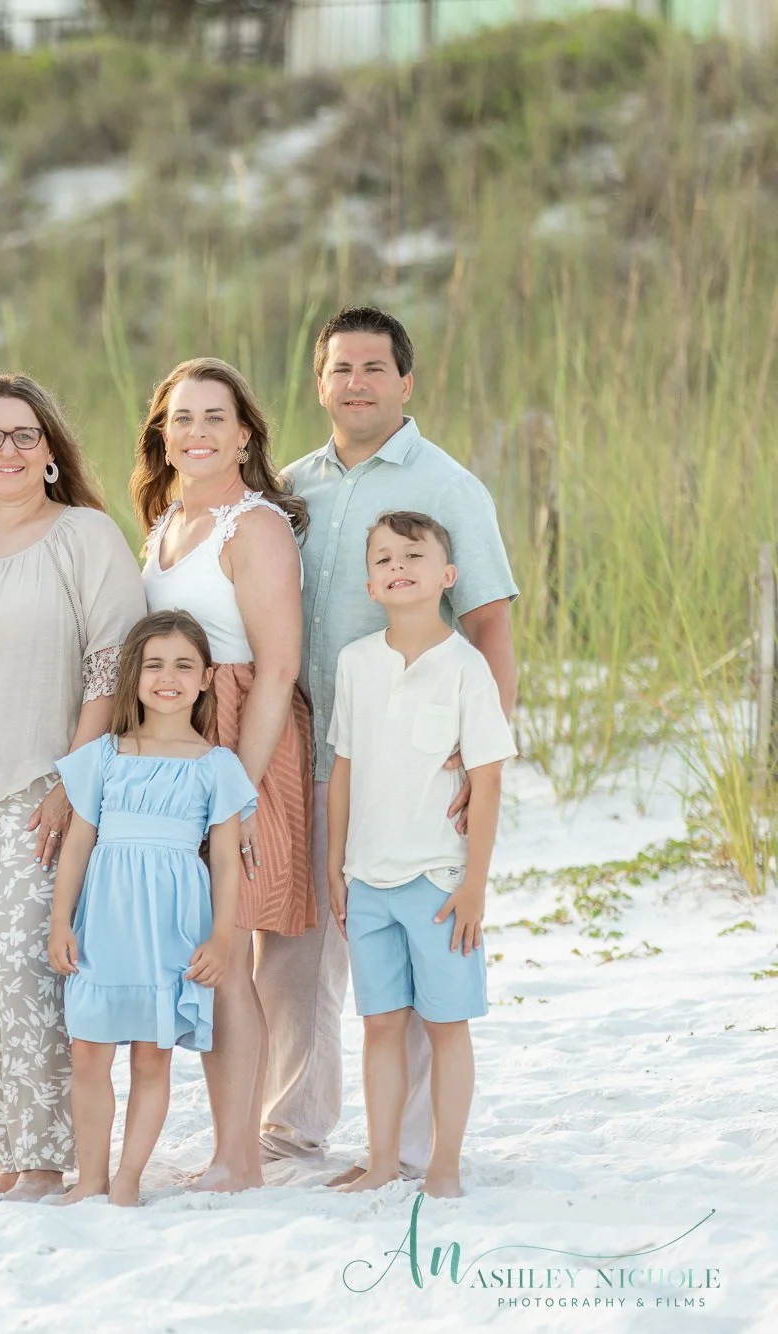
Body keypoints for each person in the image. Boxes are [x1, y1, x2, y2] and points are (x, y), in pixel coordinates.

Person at [270, 305, 518, 1182]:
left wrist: (478, 754)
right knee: (296, 949)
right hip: (314, 750)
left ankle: (411, 1149)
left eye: (375, 368)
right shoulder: (292, 487)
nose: (357, 383)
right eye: (341, 368)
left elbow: (489, 620)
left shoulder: (449, 487)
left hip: (416, 760)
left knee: (415, 957)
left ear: (406, 383)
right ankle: (292, 1127)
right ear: (320, 381)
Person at [0, 373, 144, 1201]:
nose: (4, 450)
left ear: (50, 452)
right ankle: (9, 1148)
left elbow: (114, 664)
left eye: (22, 436)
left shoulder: (83, 535)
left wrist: (74, 784)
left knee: (29, 968)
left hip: (42, 789)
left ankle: (47, 1158)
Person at [133, 357, 312, 1194]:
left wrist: (230, 797)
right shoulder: (163, 520)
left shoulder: (257, 527)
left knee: (230, 948)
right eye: (181, 418)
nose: (196, 432)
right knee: (201, 950)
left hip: (243, 744)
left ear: (245, 434)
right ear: (161, 434)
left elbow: (277, 670)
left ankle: (240, 1157)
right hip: (176, 741)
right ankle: (228, 1142)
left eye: (215, 417)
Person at [328, 513, 513, 1197]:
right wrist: (335, 865)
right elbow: (344, 768)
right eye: (383, 559)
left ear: (447, 576)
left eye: (414, 554)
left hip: (440, 884)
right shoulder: (355, 664)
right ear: (371, 583)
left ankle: (443, 1164)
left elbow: (487, 781)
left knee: (445, 1025)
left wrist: (474, 886)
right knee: (378, 1025)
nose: (397, 565)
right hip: (367, 878)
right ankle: (380, 1162)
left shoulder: (466, 668)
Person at [46, 611, 256, 1207]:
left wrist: (219, 939)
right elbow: (78, 843)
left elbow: (224, 859)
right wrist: (62, 920)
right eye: (155, 664)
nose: (169, 677)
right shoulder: (105, 755)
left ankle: (128, 1179)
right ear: (134, 675)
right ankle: (90, 1177)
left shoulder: (217, 766)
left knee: (151, 1057)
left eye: (184, 665)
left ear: (207, 678)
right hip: (105, 924)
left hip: (170, 925)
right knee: (87, 1051)